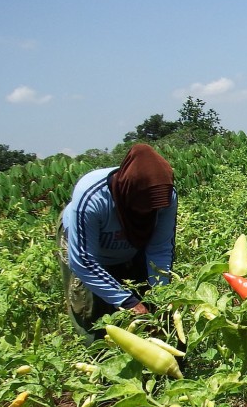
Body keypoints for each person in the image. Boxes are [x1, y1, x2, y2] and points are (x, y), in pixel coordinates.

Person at [57, 143, 178, 343]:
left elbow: (160, 249)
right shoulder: (92, 198)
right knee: (94, 315)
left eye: (153, 210)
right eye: (143, 208)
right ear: (127, 194)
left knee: (154, 313)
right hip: (88, 248)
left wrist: (161, 295)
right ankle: (101, 364)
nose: (148, 214)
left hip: (131, 245)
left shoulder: (165, 197)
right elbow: (84, 261)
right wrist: (127, 301)